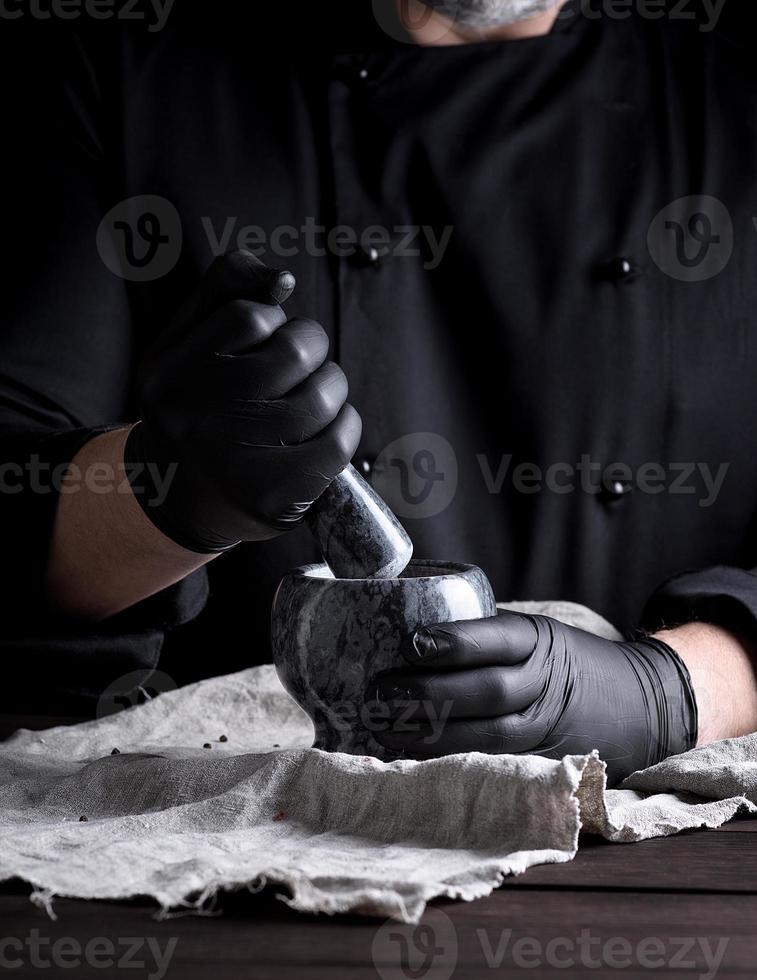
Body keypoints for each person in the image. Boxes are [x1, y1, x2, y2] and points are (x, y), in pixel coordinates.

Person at [1, 0, 755, 783]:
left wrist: (670, 692)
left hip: (663, 859)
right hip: (228, 828)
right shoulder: (116, 68)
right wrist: (159, 493)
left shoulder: (730, 77)